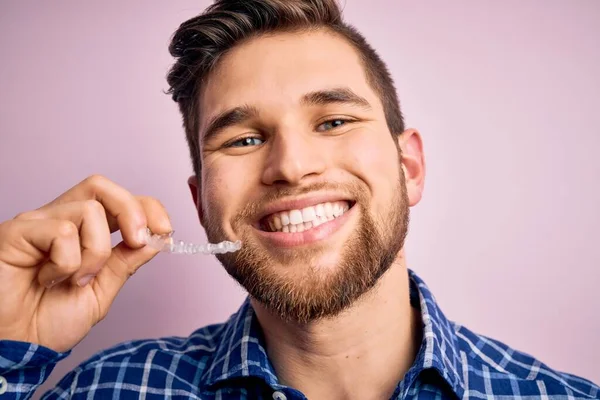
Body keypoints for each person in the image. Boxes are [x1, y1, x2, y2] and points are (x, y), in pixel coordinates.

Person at [0, 1, 598, 399]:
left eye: (334, 121)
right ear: (203, 204)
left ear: (409, 167)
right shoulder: (107, 390)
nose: (290, 166)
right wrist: (6, 348)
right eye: (244, 139)